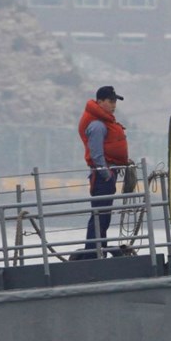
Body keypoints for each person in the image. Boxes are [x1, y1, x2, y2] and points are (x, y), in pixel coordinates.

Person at [73, 86, 129, 258]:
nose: (114, 105)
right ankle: (93, 253)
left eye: (115, 102)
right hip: (102, 177)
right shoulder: (97, 125)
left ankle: (99, 249)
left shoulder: (102, 122)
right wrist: (107, 175)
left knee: (103, 215)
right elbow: (97, 154)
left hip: (107, 174)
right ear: (100, 102)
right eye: (110, 101)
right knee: (99, 216)